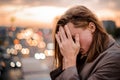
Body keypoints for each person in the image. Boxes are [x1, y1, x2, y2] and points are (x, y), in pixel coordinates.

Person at [50, 5, 120, 80]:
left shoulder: (114, 59)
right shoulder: (81, 57)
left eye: (73, 38)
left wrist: (70, 62)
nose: (72, 45)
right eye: (67, 40)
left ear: (91, 27)